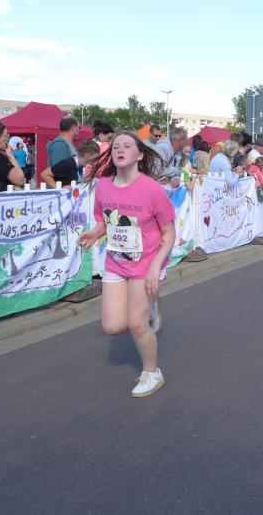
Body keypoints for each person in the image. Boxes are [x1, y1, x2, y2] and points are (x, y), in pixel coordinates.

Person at [78, 132, 175, 398]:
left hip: (148, 263)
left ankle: (152, 373)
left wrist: (156, 266)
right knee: (112, 326)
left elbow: (169, 234)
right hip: (117, 262)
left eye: (127, 146)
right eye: (115, 147)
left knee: (136, 323)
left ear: (140, 154)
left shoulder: (152, 190)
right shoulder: (103, 186)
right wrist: (94, 233)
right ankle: (151, 309)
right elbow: (105, 221)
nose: (120, 150)